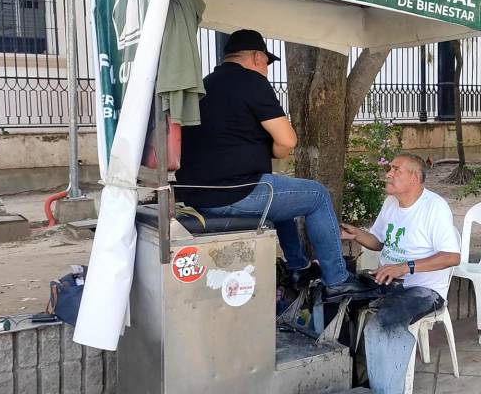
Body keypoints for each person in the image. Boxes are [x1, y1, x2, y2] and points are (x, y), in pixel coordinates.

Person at [175, 29, 368, 300]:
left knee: (283, 194)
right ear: (256, 57)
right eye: (266, 62)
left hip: (198, 195)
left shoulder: (205, 85)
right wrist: (275, 150)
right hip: (234, 193)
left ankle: (298, 267)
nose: (266, 69)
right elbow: (287, 141)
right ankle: (337, 280)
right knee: (317, 195)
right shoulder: (251, 82)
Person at [340, 153, 460, 394]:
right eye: (389, 168)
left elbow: (452, 257)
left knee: (383, 322)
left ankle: (386, 389)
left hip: (424, 290)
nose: (388, 173)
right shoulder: (391, 203)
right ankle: (357, 381)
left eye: (396, 170)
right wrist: (357, 234)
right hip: (388, 281)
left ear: (414, 178)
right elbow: (379, 242)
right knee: (339, 301)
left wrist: (405, 267)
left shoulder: (434, 207)